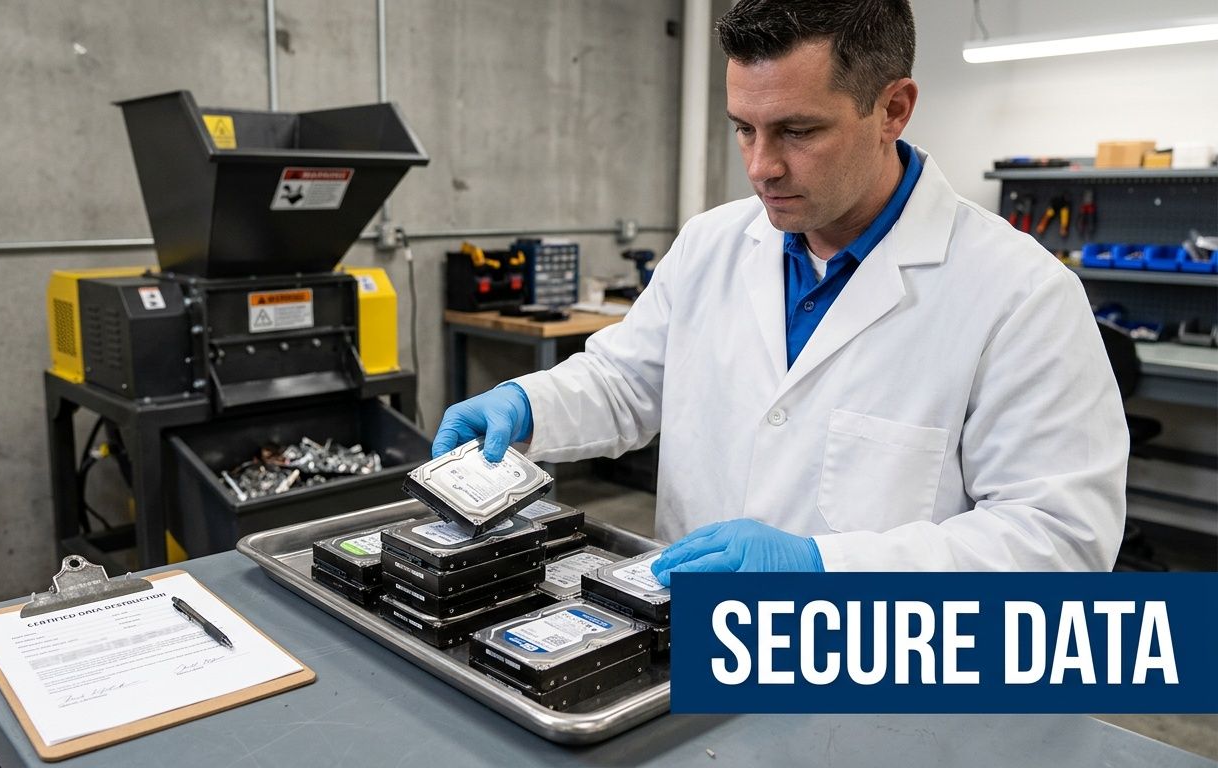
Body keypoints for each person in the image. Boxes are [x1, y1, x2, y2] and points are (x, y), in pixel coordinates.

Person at [432, 0, 1127, 579]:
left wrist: (824, 569)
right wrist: (528, 404)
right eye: (744, 129)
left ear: (893, 109)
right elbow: (629, 381)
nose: (762, 166)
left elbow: (1060, 544)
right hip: (696, 646)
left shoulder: (1021, 296)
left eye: (798, 131)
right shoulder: (712, 243)